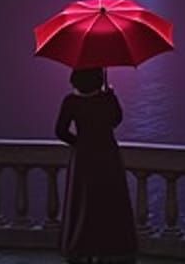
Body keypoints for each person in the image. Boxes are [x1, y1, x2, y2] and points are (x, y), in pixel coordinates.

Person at [55, 67, 137, 264]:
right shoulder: (106, 99)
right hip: (108, 156)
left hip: (83, 158)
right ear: (99, 78)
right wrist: (111, 96)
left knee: (83, 203)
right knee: (108, 202)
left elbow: (60, 131)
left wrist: (80, 143)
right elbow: (116, 120)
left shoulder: (70, 102)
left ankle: (81, 246)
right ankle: (109, 246)